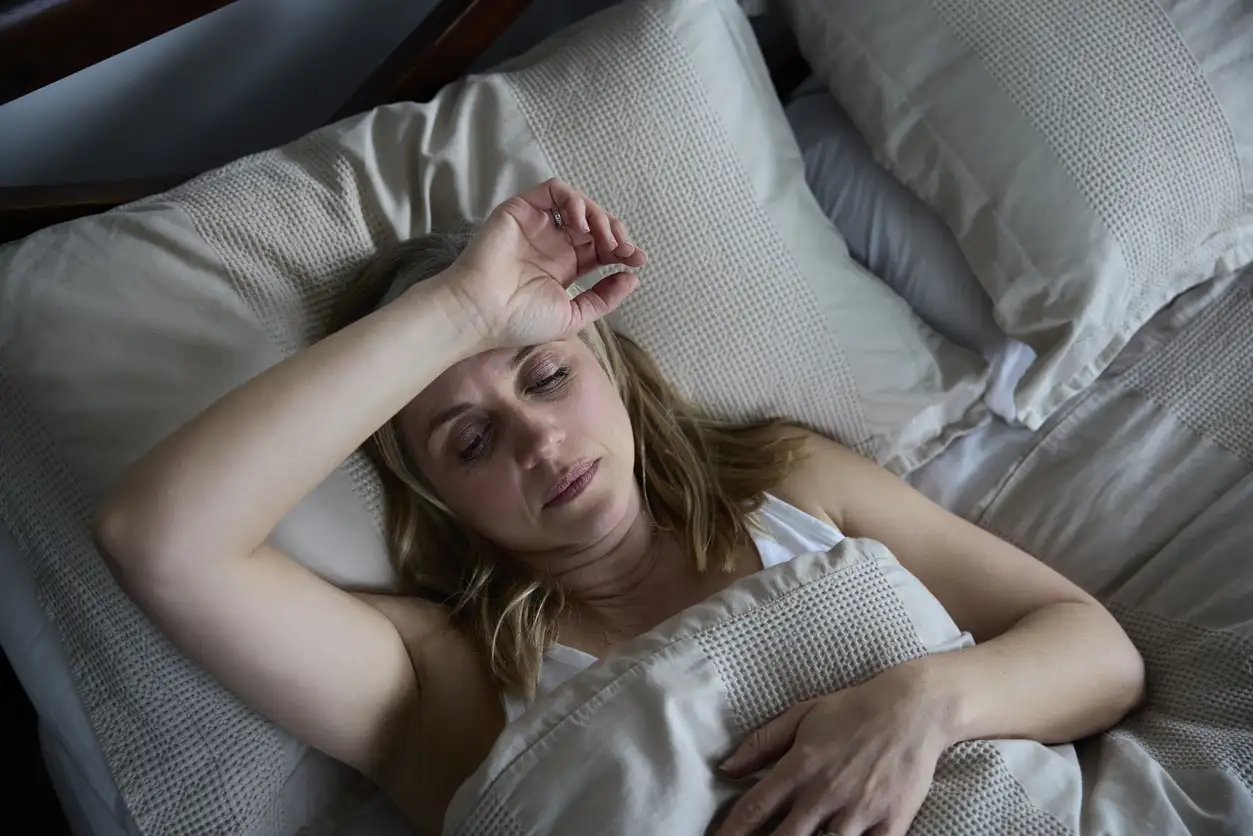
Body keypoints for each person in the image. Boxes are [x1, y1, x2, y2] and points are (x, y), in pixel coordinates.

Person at [95, 179, 1145, 836]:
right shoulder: (436, 677)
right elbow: (159, 540)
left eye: (547, 377)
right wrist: (459, 309)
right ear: (433, 497)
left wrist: (920, 704)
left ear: (612, 368)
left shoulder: (787, 479)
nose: (537, 441)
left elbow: (1095, 651)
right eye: (469, 440)